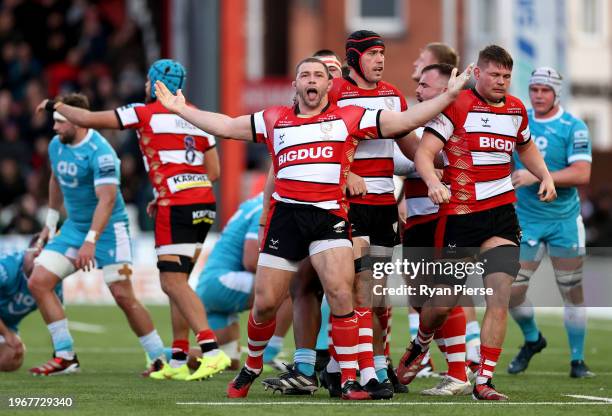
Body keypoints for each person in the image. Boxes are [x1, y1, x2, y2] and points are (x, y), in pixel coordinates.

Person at [154, 56, 472, 399]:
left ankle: (348, 380)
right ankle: (253, 366)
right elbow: (226, 126)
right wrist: (180, 109)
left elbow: (404, 120)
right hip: (287, 217)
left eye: (318, 75)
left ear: (327, 85)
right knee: (264, 303)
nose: (311, 80)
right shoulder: (275, 118)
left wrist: (447, 97)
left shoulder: (349, 116)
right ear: (296, 85)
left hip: (329, 217)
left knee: (341, 294)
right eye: (304, 74)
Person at [36, 59, 228, 381]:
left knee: (172, 282)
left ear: (154, 84)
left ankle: (211, 351)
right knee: (178, 284)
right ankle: (179, 359)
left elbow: (85, 118)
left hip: (176, 205)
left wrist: (55, 104)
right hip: (204, 204)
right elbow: (215, 172)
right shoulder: (195, 114)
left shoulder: (144, 111)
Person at [399, 45, 556, 401]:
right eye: (495, 75)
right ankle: (420, 344)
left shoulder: (516, 109)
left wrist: (544, 175)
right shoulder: (457, 105)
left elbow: (526, 146)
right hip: (462, 216)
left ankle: (483, 381)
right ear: (478, 73)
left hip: (502, 215)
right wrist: (435, 182)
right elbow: (424, 154)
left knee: (498, 297)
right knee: (441, 304)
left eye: (506, 76)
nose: (501, 82)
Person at [28, 93, 165, 376]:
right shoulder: (57, 145)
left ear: (78, 123)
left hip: (110, 230)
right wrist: (51, 222)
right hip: (74, 227)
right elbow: (56, 179)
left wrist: (91, 241)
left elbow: (106, 200)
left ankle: (158, 358)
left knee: (122, 295)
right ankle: (65, 356)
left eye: (60, 122)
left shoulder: (102, 154)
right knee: (39, 281)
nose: (55, 128)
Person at [508, 67, 594, 378]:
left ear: (556, 93)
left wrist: (538, 176)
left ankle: (577, 360)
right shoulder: (519, 121)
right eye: (534, 89)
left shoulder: (574, 127)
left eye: (545, 90)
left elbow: (582, 173)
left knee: (571, 290)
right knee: (511, 290)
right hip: (525, 221)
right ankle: (533, 339)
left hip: (564, 222)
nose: (539, 95)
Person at [395, 63, 472, 395]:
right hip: (415, 219)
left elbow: (441, 163)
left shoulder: (457, 121)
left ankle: (457, 369)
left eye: (425, 85)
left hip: (444, 218)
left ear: (445, 91)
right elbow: (411, 163)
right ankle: (428, 350)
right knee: (419, 298)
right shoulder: (415, 119)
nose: (418, 89)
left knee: (443, 295)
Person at [196, 193, 292, 370]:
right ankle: (268, 354)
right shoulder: (265, 207)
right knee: (290, 285)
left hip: (211, 284)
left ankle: (165, 357)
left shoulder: (253, 203)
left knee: (225, 360)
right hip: (222, 281)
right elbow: (250, 259)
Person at [0, 235, 61, 372]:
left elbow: (56, 320)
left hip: (6, 326)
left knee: (11, 359)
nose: (38, 265)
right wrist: (7, 335)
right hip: (4, 329)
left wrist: (61, 354)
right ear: (27, 251)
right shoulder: (7, 267)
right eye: (36, 257)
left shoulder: (52, 280)